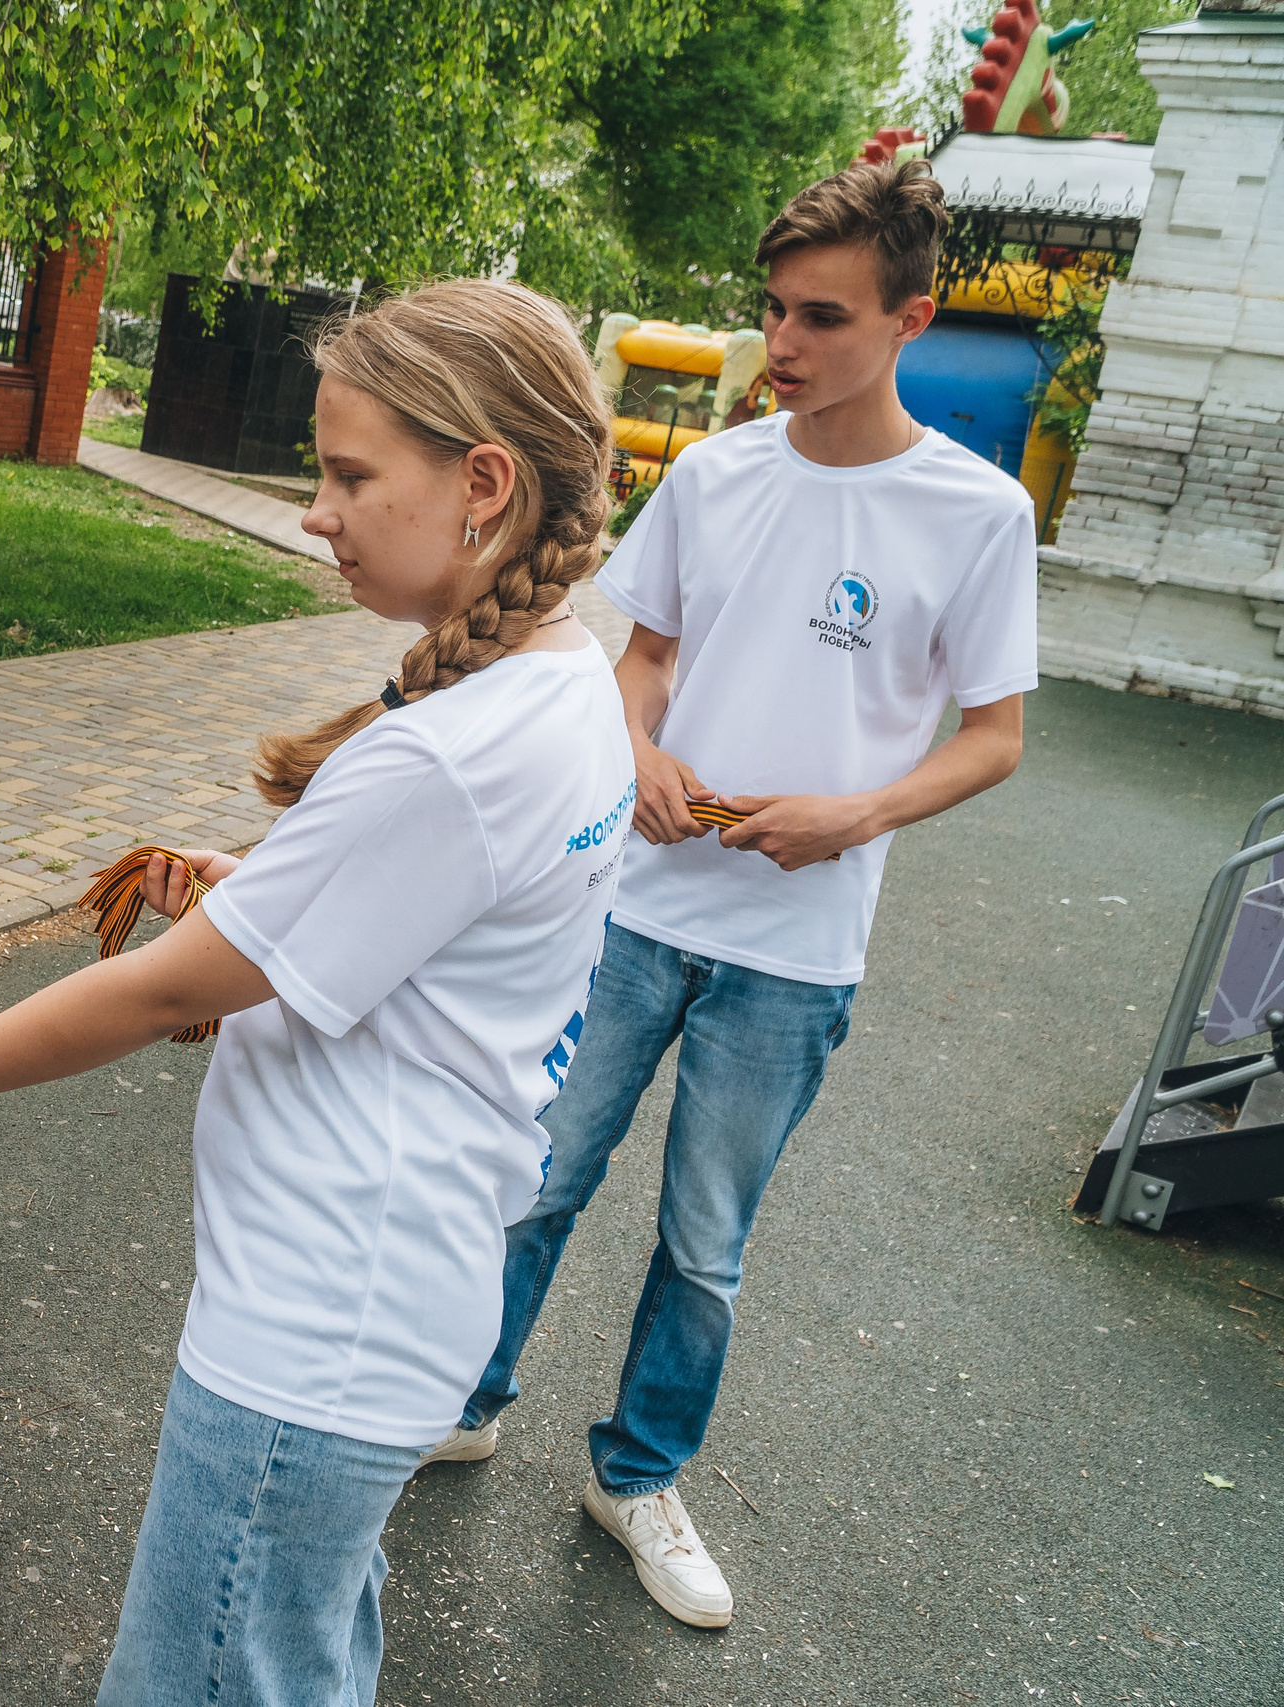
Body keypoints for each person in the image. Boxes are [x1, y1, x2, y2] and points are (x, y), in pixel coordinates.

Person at [0, 278, 634, 1707]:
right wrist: (274, 892)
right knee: (293, 1655)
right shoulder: (565, 685)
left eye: (348, 473)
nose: (317, 510)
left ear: (483, 482)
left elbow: (158, 992)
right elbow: (405, 915)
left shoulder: (443, 746)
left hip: (319, 1328)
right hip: (400, 1295)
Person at [443, 159, 1037, 1631]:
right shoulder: (715, 474)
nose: (781, 344)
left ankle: (636, 1474)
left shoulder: (978, 514)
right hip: (637, 911)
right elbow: (643, 654)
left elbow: (994, 739)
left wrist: (859, 811)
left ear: (914, 317)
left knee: (705, 1241)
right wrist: (637, 744)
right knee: (537, 1178)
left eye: (821, 317)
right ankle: (461, 1396)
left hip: (797, 953)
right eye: (772, 309)